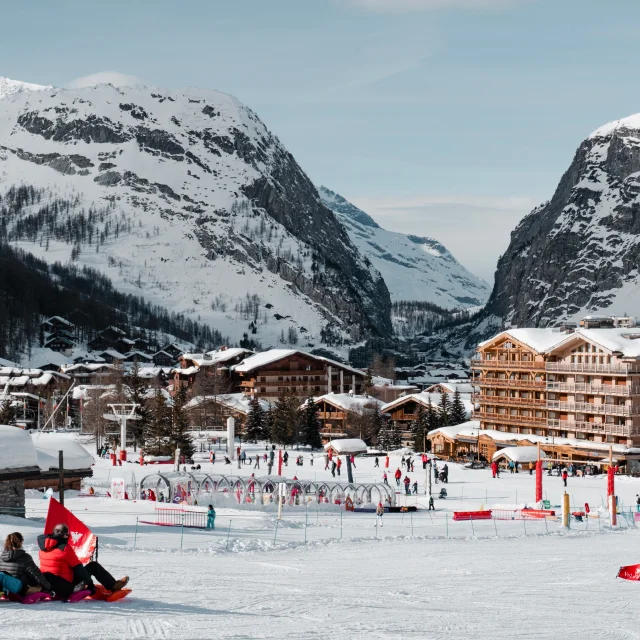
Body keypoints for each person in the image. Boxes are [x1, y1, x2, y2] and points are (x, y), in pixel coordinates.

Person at [38, 524, 129, 600]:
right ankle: (113, 585)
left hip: (50, 584)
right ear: (65, 535)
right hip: (66, 585)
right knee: (93, 566)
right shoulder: (64, 548)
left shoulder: (43, 548)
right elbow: (78, 568)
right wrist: (89, 583)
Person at [0, 532, 53, 597]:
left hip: (6, 587)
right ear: (21, 542)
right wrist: (47, 586)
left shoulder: (2, 557)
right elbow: (36, 574)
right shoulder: (25, 557)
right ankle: (37, 589)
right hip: (21, 588)